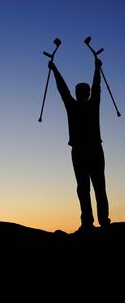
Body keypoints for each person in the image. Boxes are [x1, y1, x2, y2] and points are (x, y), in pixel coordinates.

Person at [48, 58, 111, 232]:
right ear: (88, 93)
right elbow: (96, 86)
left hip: (81, 151)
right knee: (98, 186)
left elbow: (63, 89)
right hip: (94, 150)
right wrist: (97, 68)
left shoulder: (72, 106)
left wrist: (55, 69)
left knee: (84, 187)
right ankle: (102, 221)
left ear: (78, 94)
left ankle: (88, 222)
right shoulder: (93, 104)